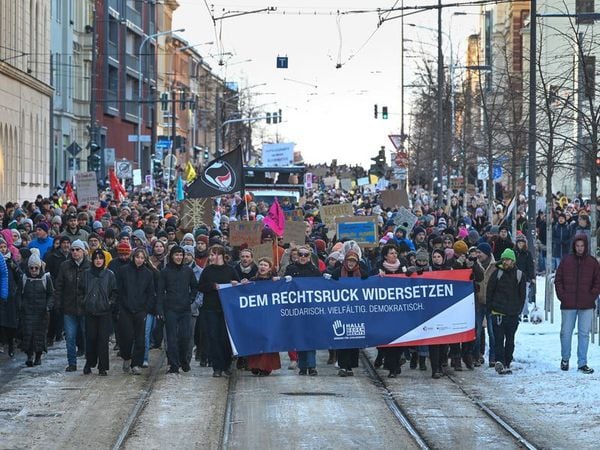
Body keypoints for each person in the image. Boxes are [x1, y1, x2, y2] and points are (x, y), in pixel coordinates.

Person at [555, 234, 600, 374]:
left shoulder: (592, 262)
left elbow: (597, 282)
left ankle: (582, 363)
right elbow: (558, 279)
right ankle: (565, 358)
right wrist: (562, 296)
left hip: (586, 304)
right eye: (577, 245)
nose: (580, 248)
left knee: (584, 334)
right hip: (568, 304)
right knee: (566, 333)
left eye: (582, 246)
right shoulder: (566, 261)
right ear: (574, 246)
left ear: (585, 246)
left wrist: (591, 295)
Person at [197, 245, 240, 377]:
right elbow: (201, 287)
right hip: (211, 308)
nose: (211, 257)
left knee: (225, 338)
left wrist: (234, 284)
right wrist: (212, 286)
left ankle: (226, 364)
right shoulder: (207, 271)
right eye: (210, 255)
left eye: (214, 254)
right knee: (214, 337)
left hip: (226, 309)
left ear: (221, 255)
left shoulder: (230, 270)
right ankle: (217, 367)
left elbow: (238, 287)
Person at [157, 245, 198, 374]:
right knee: (171, 338)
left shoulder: (188, 271)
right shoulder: (165, 271)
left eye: (181, 255)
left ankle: (184, 360)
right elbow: (159, 292)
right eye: (176, 254)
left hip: (185, 309)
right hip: (170, 309)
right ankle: (174, 364)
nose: (179, 257)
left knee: (185, 337)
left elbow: (195, 287)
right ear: (171, 256)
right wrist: (160, 309)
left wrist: (191, 299)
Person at [486, 248, 526, 375]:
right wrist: (491, 308)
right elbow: (490, 292)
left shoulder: (519, 275)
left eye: (507, 259)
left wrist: (518, 310)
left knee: (510, 340)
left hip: (513, 314)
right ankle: (500, 361)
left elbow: (522, 295)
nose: (505, 262)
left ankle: (507, 362)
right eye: (503, 259)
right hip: (498, 313)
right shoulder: (496, 274)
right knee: (498, 339)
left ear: (513, 261)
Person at [117, 248, 156, 375]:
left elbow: (150, 293)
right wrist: (121, 306)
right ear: (133, 257)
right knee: (126, 337)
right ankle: (126, 357)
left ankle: (136, 363)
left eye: (142, 258)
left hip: (141, 310)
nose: (139, 260)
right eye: (137, 257)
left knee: (140, 338)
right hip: (126, 309)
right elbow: (119, 290)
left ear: (145, 260)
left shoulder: (148, 273)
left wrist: (146, 308)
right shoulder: (124, 271)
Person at [284, 244, 321, 376]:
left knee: (310, 338)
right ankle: (302, 366)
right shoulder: (290, 269)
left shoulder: (315, 270)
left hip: (311, 309)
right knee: (299, 337)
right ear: (297, 256)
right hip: (295, 309)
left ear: (310, 256)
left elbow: (320, 289)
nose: (303, 257)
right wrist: (285, 280)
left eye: (306, 255)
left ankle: (311, 366)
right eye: (301, 255)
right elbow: (284, 288)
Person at [55, 239, 91, 372]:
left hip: (85, 308)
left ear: (83, 251)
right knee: (70, 337)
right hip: (69, 307)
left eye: (78, 249)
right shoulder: (65, 266)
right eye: (73, 250)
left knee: (87, 335)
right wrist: (58, 304)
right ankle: (72, 363)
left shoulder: (89, 266)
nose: (75, 252)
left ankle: (89, 362)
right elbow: (59, 286)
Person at [331, 250, 368, 377]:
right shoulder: (337, 272)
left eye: (353, 261)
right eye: (349, 261)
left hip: (356, 312)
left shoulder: (362, 274)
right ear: (345, 261)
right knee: (342, 339)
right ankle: (342, 366)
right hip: (342, 311)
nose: (351, 263)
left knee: (353, 339)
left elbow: (371, 284)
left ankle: (350, 366)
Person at [82, 249, 117, 376]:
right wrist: (85, 302)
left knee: (103, 340)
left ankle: (103, 366)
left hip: (104, 311)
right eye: (96, 258)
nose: (98, 261)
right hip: (90, 311)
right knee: (90, 338)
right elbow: (81, 290)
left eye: (100, 258)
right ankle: (89, 363)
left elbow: (114, 291)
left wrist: (109, 303)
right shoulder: (86, 274)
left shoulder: (109, 274)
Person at [246, 257, 282, 376]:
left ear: (270, 268)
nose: (262, 267)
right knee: (256, 339)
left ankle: (266, 366)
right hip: (255, 315)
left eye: (265, 265)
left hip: (270, 315)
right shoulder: (253, 280)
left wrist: (279, 281)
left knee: (268, 340)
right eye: (260, 264)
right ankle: (255, 364)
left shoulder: (274, 281)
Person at [19, 251, 53, 367]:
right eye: (31, 268)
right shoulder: (24, 278)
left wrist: (48, 306)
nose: (33, 270)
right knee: (28, 334)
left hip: (41, 311)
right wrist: (21, 306)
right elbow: (19, 294)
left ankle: (38, 356)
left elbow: (51, 294)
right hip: (27, 311)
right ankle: (29, 355)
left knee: (40, 334)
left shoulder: (45, 278)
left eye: (36, 268)